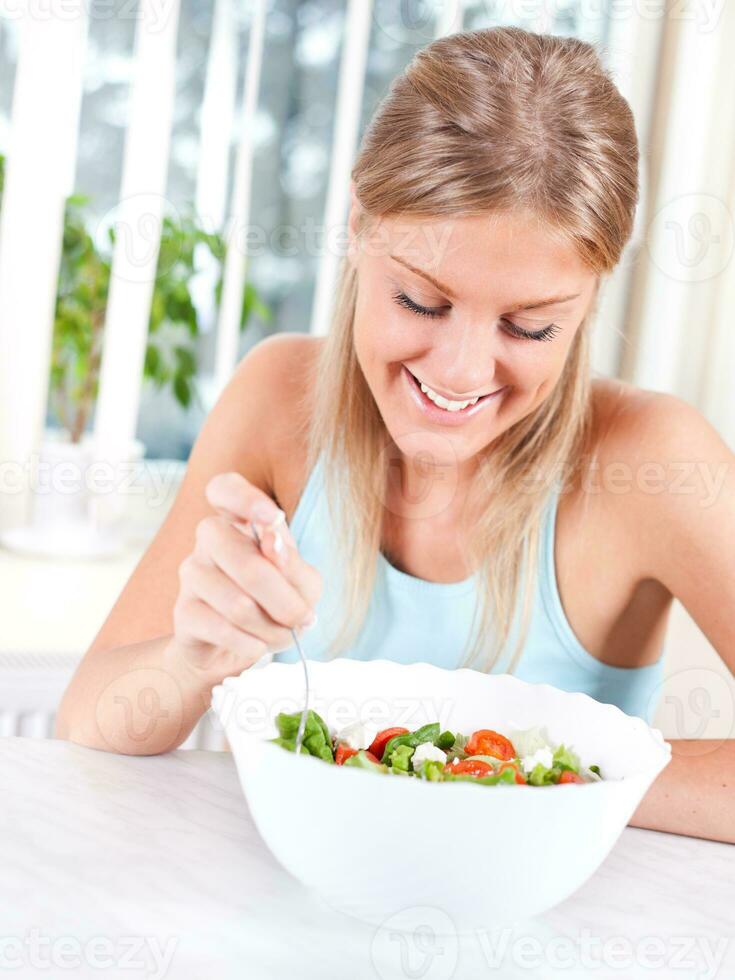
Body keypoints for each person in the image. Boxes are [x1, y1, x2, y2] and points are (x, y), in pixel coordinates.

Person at [56, 26, 734, 842]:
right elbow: (91, 721)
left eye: (528, 328)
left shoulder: (651, 459)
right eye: (420, 301)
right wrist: (192, 659)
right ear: (356, 226)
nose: (457, 371)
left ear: (589, 297)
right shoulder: (279, 399)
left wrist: (518, 777)